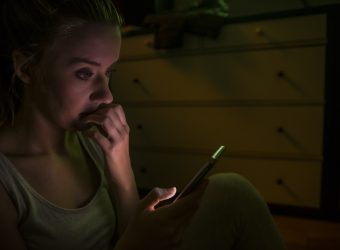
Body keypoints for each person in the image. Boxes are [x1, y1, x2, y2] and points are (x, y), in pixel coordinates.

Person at [0, 0, 286, 249]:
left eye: (109, 72)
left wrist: (120, 162)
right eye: (85, 73)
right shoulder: (6, 179)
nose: (107, 95)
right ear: (27, 68)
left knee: (232, 191)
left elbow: (131, 229)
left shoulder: (91, 140)